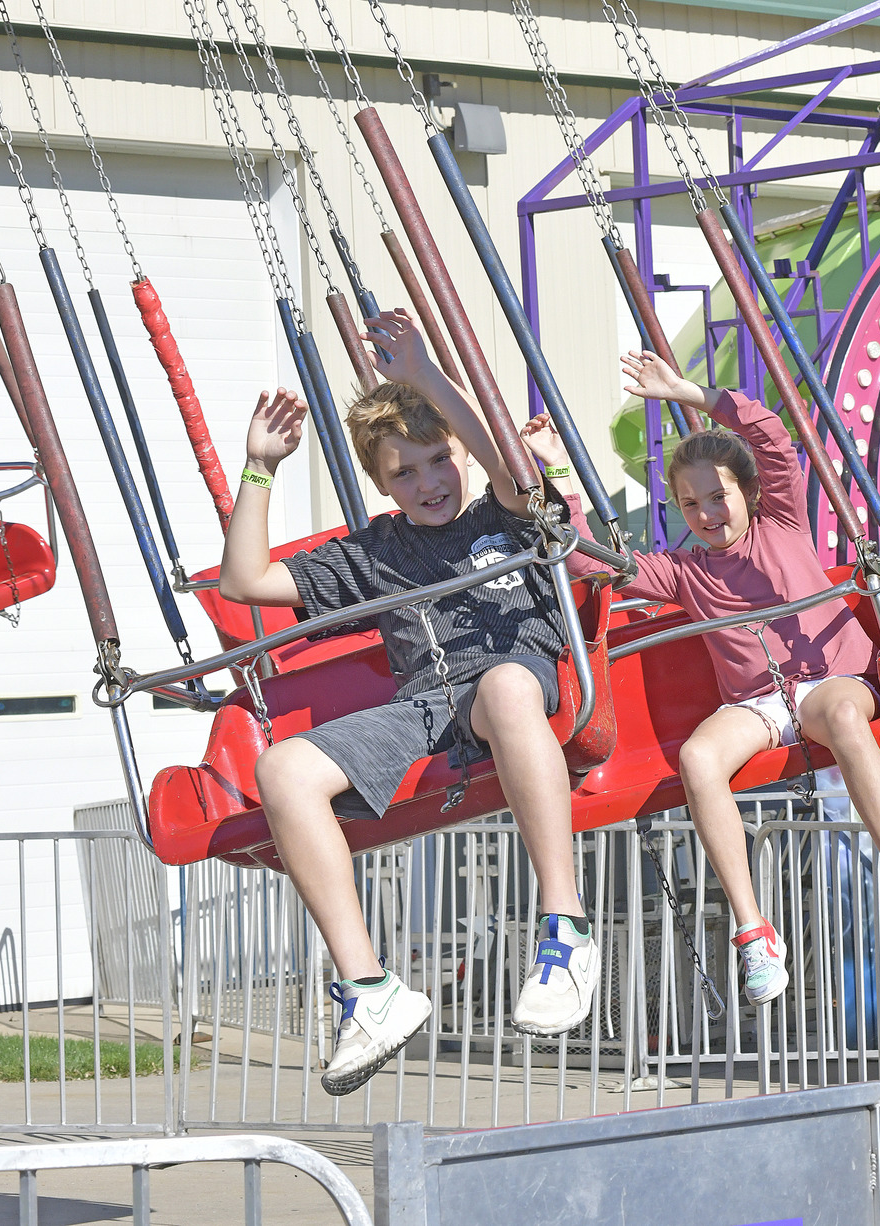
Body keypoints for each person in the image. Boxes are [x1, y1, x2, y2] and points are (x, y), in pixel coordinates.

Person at [218, 311, 599, 1096]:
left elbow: (511, 469)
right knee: (284, 770)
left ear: (463, 453)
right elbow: (245, 583)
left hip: (516, 681)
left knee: (501, 684)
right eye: (404, 472)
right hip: (429, 707)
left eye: (439, 460)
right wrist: (260, 469)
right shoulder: (379, 553)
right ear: (381, 482)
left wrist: (426, 376)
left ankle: (564, 926)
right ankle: (370, 991)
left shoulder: (507, 511)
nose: (428, 482)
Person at [613, 350, 880, 1006]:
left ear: (748, 493)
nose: (706, 514)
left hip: (826, 681)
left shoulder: (783, 519)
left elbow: (766, 432)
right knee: (699, 758)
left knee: (849, 717)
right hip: (759, 703)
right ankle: (752, 929)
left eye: (717, 497)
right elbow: (604, 566)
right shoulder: (686, 571)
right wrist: (552, 478)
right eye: (690, 504)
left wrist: (691, 392)